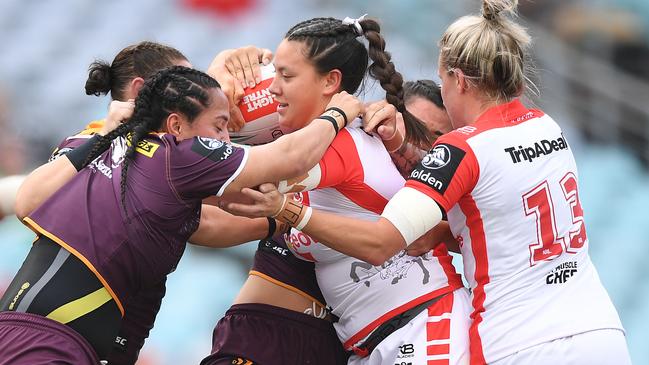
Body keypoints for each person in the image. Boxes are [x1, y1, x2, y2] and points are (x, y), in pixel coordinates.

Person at [226, 1, 632, 364]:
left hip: (519, 341)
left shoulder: (462, 149)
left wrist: (289, 209)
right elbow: (487, 218)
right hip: (599, 328)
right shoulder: (549, 129)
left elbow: (385, 241)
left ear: (459, 80)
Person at [0, 65, 358, 364]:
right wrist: (339, 113)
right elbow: (289, 158)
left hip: (30, 330)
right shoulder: (179, 156)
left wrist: (277, 219)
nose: (227, 141)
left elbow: (205, 223)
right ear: (174, 125)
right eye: (219, 126)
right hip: (48, 342)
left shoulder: (97, 145)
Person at [203, 15, 471, 365]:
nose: (272, 88)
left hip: (423, 327)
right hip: (372, 343)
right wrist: (222, 78)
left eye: (287, 76)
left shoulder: (335, 145)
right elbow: (210, 218)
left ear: (331, 81)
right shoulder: (320, 143)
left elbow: (221, 183)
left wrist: (205, 98)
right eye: (274, 74)